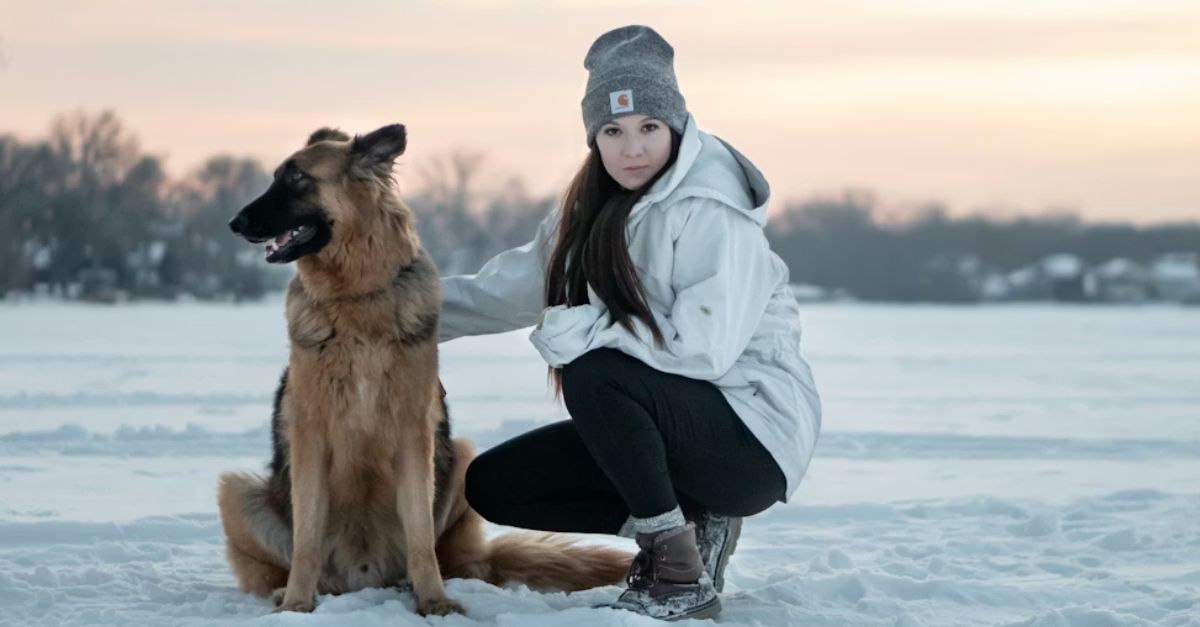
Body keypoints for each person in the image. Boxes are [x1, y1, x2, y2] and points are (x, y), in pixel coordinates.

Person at [438, 24, 822, 621]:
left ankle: (676, 572)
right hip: (671, 430)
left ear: (676, 127)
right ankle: (692, 526)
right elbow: (504, 291)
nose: (632, 148)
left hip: (749, 441)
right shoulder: (589, 214)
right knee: (495, 484)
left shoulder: (713, 211)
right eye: (612, 132)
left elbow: (704, 351)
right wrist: (393, 312)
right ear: (595, 139)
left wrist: (585, 334)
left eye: (649, 128)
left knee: (596, 371)